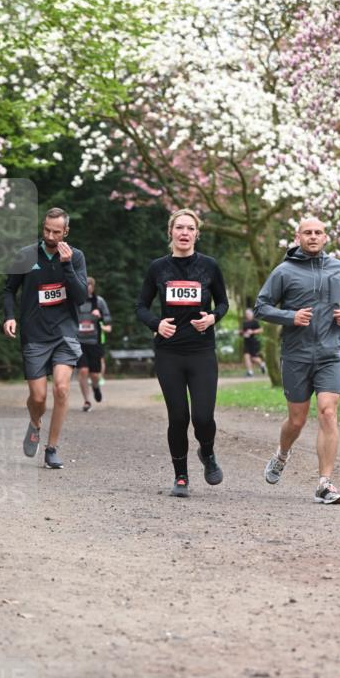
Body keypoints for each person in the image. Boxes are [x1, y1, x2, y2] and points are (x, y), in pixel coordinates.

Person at [254, 216, 340, 504]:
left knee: (328, 412)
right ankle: (282, 454)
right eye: (307, 233)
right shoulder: (283, 272)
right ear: (297, 237)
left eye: (318, 232)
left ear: (326, 237)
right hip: (296, 355)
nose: (313, 236)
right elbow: (261, 307)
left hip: (330, 354)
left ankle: (325, 484)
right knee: (297, 420)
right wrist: (290, 317)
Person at [136, 208, 229, 497]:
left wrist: (213, 317)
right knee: (178, 417)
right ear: (171, 232)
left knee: (202, 417)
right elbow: (141, 306)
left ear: (196, 234)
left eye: (190, 228)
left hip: (201, 351)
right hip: (169, 353)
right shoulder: (158, 268)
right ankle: (180, 477)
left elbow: (223, 303)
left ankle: (208, 453)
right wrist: (156, 323)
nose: (185, 233)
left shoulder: (209, 267)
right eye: (180, 228)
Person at [3, 207, 87, 469]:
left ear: (66, 231)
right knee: (38, 398)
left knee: (61, 388)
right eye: (46, 230)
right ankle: (35, 423)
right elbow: (8, 290)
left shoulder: (75, 257)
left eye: (56, 231)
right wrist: (9, 316)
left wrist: (67, 266)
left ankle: (52, 448)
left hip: (65, 332)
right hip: (34, 333)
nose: (51, 236)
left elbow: (81, 296)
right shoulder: (26, 255)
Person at [77, 276, 112, 411]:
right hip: (79, 341)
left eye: (90, 285)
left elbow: (108, 319)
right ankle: (87, 401)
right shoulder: (76, 301)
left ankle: (96, 387)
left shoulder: (99, 301)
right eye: (85, 285)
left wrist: (101, 316)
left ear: (93, 287)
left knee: (95, 374)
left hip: (94, 341)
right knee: (83, 371)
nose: (87, 287)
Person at [241, 307, 267, 376]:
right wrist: (241, 333)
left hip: (254, 342)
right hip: (246, 342)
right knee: (246, 356)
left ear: (252, 314)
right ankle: (250, 372)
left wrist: (252, 331)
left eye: (249, 313)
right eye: (246, 314)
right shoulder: (244, 322)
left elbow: (261, 330)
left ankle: (262, 364)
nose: (247, 315)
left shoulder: (255, 321)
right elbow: (243, 331)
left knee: (253, 358)